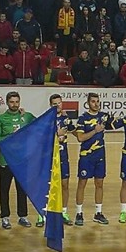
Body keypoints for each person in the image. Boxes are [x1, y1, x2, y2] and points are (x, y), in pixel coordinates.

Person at [0, 91, 35, 229]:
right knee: (4, 190)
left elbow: (40, 124)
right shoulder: (0, 119)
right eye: (12, 102)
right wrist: (12, 136)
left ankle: (23, 216)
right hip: (5, 161)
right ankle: (5, 217)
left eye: (17, 102)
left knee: (22, 189)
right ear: (7, 103)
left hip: (22, 160)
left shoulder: (26, 116)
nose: (15, 104)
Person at [74, 93, 115, 226]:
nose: (96, 104)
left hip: (100, 156)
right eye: (93, 101)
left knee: (99, 184)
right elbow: (80, 138)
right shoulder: (83, 118)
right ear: (88, 103)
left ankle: (98, 213)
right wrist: (95, 131)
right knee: (82, 183)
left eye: (98, 101)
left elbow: (115, 124)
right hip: (86, 156)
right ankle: (79, 213)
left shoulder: (104, 116)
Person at [50, 94, 75, 226]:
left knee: (65, 184)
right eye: (54, 104)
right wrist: (56, 133)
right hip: (50, 157)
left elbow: (76, 131)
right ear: (50, 105)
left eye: (59, 103)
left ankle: (64, 212)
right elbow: (40, 136)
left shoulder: (66, 118)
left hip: (63, 156)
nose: (57, 106)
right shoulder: (47, 120)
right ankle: (42, 214)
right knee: (48, 186)